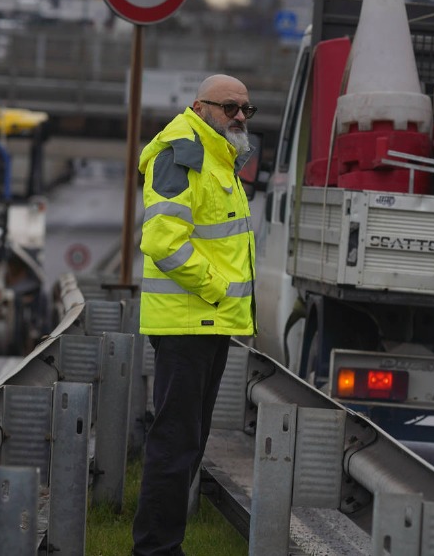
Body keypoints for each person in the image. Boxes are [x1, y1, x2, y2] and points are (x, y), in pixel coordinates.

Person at [130, 74, 258, 556]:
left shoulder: (218, 154)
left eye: (246, 108)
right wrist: (217, 290)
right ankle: (155, 549)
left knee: (188, 444)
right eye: (229, 107)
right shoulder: (183, 151)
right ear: (200, 106)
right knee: (175, 443)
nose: (240, 116)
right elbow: (162, 241)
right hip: (190, 320)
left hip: (207, 321)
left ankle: (164, 545)